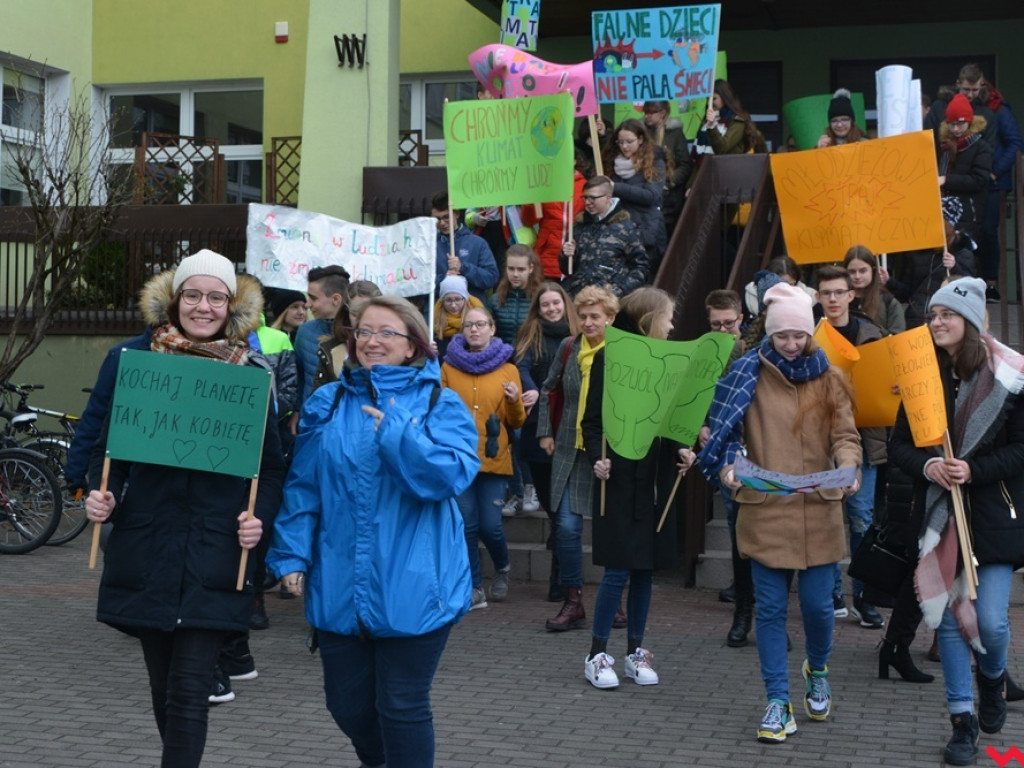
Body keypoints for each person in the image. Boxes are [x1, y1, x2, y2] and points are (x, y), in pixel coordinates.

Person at [84, 250, 286, 768]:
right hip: (148, 547)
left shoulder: (251, 375)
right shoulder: (140, 366)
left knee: (191, 690)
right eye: (192, 295)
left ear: (231, 306)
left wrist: (258, 519)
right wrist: (104, 495)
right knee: (164, 689)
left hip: (217, 552)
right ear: (175, 301)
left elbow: (270, 468)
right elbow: (110, 456)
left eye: (215, 297)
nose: (203, 306)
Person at [267, 295, 479, 768]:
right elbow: (304, 488)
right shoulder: (328, 402)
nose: (372, 341)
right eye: (363, 331)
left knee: (402, 705)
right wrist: (292, 555)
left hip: (417, 584)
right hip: (339, 580)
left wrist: (399, 434)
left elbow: (450, 477)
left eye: (387, 332)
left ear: (412, 345)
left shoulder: (440, 403)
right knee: (346, 705)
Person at [699, 282, 861, 744]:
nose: (791, 343)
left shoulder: (831, 377)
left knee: (818, 609)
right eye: (782, 335)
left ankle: (818, 669)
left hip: (819, 510)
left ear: (810, 333)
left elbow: (846, 435)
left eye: (799, 335)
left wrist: (849, 466)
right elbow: (725, 433)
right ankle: (777, 701)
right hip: (765, 510)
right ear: (769, 334)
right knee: (769, 610)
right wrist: (729, 467)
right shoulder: (744, 374)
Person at [888, 277, 1024, 766]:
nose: (937, 322)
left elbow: (1020, 450)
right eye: (933, 315)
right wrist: (930, 466)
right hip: (940, 514)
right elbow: (899, 446)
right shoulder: (921, 376)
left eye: (947, 314)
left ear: (968, 321)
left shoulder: (1008, 377)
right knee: (946, 621)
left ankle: (992, 679)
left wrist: (973, 469)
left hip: (992, 517)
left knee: (991, 622)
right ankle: (962, 723)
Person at [580, 286, 697, 689]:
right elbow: (591, 421)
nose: (672, 325)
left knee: (645, 571)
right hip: (619, 480)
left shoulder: (671, 360)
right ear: (650, 319)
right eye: (668, 317)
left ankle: (635, 651)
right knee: (618, 570)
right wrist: (597, 457)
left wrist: (684, 449)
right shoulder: (609, 357)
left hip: (655, 482)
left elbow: (674, 420)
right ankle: (596, 654)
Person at [537, 286, 619, 632]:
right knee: (567, 528)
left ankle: (613, 601)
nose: (588, 323)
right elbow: (548, 388)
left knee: (611, 530)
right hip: (570, 448)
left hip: (610, 452)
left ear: (610, 318)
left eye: (595, 317)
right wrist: (545, 431)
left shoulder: (622, 352)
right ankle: (573, 601)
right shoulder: (569, 347)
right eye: (583, 316)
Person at [815, 265, 887, 629]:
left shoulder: (872, 335)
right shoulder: (809, 338)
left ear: (851, 295)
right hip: (820, 440)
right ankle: (831, 593)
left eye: (838, 292)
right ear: (818, 297)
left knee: (862, 520)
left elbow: (887, 382)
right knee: (827, 517)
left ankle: (862, 595)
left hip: (864, 439)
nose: (833, 299)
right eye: (826, 293)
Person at [442, 306, 526, 609]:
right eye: (468, 325)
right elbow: (440, 411)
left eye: (480, 325)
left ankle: (502, 567)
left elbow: (516, 421)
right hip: (460, 458)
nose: (474, 330)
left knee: (490, 526)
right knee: (466, 525)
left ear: (492, 328)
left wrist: (515, 400)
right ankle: (474, 586)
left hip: (493, 459)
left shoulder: (508, 369)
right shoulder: (448, 367)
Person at [515, 282, 582, 600]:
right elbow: (521, 367)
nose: (552, 308)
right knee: (551, 506)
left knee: (561, 509)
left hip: (568, 429)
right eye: (546, 304)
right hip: (537, 429)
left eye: (556, 303)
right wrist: (532, 390)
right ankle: (562, 563)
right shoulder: (532, 334)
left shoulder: (578, 335)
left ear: (565, 304)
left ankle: (561, 580)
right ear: (538, 309)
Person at [698, 289, 753, 646]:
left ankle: (767, 613)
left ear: (741, 319)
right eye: (715, 324)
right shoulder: (703, 355)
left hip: (758, 448)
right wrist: (700, 426)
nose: (722, 330)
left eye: (728, 324)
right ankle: (743, 610)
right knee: (737, 528)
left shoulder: (754, 353)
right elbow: (694, 397)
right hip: (726, 451)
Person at [488, 245, 543, 515]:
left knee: (523, 434)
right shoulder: (496, 298)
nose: (515, 274)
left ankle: (529, 487)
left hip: (530, 370)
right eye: (511, 269)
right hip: (502, 369)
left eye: (521, 269)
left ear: (531, 268)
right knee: (507, 433)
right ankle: (516, 491)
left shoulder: (539, 297)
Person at [560, 175, 649, 298]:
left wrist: (619, 291)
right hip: (577, 298)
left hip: (608, 302)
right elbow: (566, 270)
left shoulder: (626, 229)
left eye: (593, 198)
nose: (587, 202)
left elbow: (641, 268)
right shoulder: (578, 227)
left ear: (608, 197)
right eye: (585, 197)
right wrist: (567, 255)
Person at [602, 118, 667, 272]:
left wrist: (615, 187)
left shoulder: (655, 163)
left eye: (629, 141)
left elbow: (651, 196)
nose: (624, 146)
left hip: (646, 232)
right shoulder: (611, 163)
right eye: (620, 142)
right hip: (619, 233)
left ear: (640, 139)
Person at [937, 94, 993, 250]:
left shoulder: (981, 147)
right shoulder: (944, 147)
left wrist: (946, 180)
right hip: (945, 209)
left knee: (964, 254)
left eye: (960, 124)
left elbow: (979, 180)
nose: (956, 129)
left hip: (969, 211)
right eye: (952, 124)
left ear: (970, 122)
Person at [688, 79, 767, 189]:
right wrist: (691, 186)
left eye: (714, 99)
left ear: (725, 98)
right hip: (705, 183)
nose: (709, 103)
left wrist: (712, 126)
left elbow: (722, 148)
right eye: (708, 99)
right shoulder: (705, 124)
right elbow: (697, 159)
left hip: (728, 184)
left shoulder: (737, 122)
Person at [311, 279, 382, 393]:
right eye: (355, 314)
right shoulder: (330, 350)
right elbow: (318, 399)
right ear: (346, 313)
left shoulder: (390, 346)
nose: (362, 321)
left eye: (369, 314)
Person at [293, 265, 351, 403]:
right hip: (310, 412)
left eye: (313, 298)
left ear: (336, 299)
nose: (307, 304)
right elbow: (298, 376)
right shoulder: (304, 331)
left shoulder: (358, 335)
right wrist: (298, 409)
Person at [431, 191, 499, 303]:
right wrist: (444, 279)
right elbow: (420, 284)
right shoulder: (429, 246)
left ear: (457, 214)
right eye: (437, 219)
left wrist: (463, 268)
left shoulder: (478, 243)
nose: (442, 223)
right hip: (439, 311)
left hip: (471, 310)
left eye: (446, 217)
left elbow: (491, 279)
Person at [642, 100, 691, 236]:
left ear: (662, 113)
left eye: (651, 112)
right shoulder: (642, 133)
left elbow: (685, 164)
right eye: (645, 112)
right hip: (646, 190)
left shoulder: (675, 133)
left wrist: (668, 181)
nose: (647, 116)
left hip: (669, 195)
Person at [843, 246, 906, 335]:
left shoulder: (888, 302)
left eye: (863, 271)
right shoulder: (838, 301)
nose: (857, 276)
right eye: (852, 272)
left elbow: (897, 337)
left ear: (873, 271)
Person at [432, 274, 484, 360]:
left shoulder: (478, 320)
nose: (453, 305)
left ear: (465, 299)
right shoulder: (434, 320)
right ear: (442, 301)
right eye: (448, 300)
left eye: (457, 299)